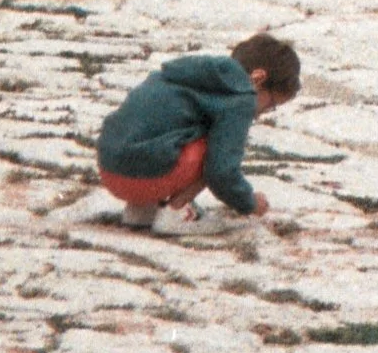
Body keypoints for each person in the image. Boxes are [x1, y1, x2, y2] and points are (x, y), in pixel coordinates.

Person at [96, 32, 299, 229]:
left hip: (109, 169)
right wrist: (249, 203)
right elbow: (221, 173)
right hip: (145, 178)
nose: (260, 114)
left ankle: (141, 212)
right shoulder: (242, 96)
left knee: (170, 133)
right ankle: (176, 212)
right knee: (212, 145)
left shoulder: (187, 74)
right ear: (258, 78)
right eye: (269, 104)